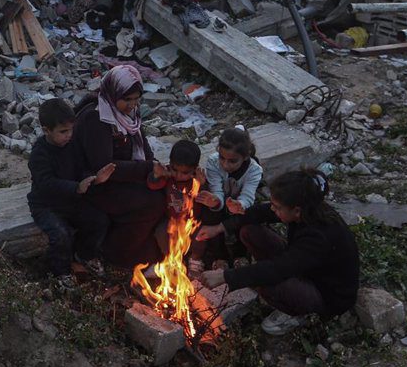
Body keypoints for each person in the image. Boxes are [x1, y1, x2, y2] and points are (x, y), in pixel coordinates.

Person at [199, 169, 359, 335]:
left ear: (296, 210)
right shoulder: (307, 208)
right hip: (303, 267)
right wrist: (219, 228)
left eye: (277, 207)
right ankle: (274, 281)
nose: (272, 209)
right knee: (249, 231)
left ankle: (298, 312)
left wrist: (225, 276)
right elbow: (259, 212)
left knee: (266, 283)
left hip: (327, 296)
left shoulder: (317, 237)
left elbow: (278, 269)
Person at [71, 64, 166, 266]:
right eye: (127, 99)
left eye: (136, 99)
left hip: (122, 177)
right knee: (151, 203)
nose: (132, 104)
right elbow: (104, 165)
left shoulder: (129, 114)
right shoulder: (96, 118)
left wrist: (154, 168)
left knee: (164, 193)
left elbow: (143, 145)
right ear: (113, 94)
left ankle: (140, 249)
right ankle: (116, 253)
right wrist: (147, 168)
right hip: (96, 184)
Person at [28, 98, 114, 281]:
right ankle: (60, 273)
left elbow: (81, 168)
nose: (68, 135)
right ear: (46, 131)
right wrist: (76, 187)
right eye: (63, 131)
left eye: (71, 130)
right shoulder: (39, 153)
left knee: (99, 221)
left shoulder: (72, 145)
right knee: (60, 235)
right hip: (46, 205)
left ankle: (85, 254)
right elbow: (46, 184)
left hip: (71, 201)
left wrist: (94, 178)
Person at [191, 127, 264, 271]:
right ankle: (220, 255)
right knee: (210, 213)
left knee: (244, 217)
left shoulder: (254, 170)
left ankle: (240, 254)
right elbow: (216, 189)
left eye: (232, 161)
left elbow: (248, 196)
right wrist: (216, 201)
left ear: (245, 156)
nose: (225, 165)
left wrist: (239, 205)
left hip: (238, 206)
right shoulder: (213, 163)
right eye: (222, 158)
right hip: (221, 203)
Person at [147, 139, 221, 249]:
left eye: (185, 173)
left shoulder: (197, 180)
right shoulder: (167, 175)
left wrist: (203, 184)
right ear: (170, 163)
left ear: (194, 169)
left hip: (193, 222)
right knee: (161, 233)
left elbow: (206, 199)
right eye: (174, 169)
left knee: (200, 237)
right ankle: (169, 260)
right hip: (171, 220)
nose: (178, 175)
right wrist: (157, 175)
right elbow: (153, 185)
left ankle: (195, 259)